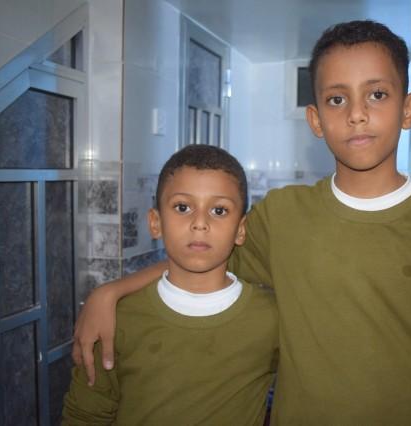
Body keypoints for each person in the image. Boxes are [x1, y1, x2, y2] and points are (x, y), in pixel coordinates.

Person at [73, 20, 411, 425]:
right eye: (337, 99)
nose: (357, 114)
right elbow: (205, 253)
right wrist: (111, 292)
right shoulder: (283, 216)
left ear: (408, 109)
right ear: (315, 120)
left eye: (377, 94)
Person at [63, 145, 278, 424]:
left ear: (240, 229)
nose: (199, 223)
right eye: (182, 207)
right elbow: (84, 416)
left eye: (219, 210)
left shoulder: (271, 319)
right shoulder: (115, 320)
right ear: (155, 223)